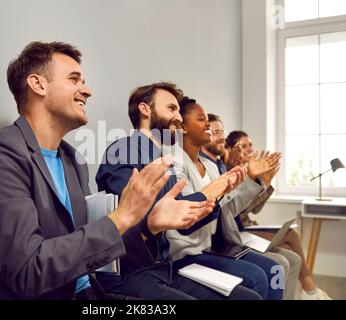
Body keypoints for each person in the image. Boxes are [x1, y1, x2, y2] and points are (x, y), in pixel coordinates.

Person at [0, 41, 214, 300]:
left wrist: (148, 226)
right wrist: (123, 216)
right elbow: (28, 272)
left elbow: (93, 248)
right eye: (74, 80)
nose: (87, 91)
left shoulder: (72, 160)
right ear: (38, 85)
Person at [95, 82, 262, 300]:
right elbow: (136, 220)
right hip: (131, 272)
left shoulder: (164, 159)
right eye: (171, 109)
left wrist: (218, 193)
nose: (180, 118)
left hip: (164, 268)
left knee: (248, 297)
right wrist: (209, 191)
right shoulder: (123, 151)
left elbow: (183, 224)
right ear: (145, 109)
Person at [167, 98, 284, 300]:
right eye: (201, 119)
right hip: (182, 256)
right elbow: (188, 214)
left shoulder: (211, 167)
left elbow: (228, 208)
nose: (207, 125)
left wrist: (252, 178)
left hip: (207, 250)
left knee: (275, 270)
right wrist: (219, 193)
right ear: (183, 127)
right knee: (258, 278)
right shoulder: (175, 162)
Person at [224, 130, 332, 300]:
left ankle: (303, 291)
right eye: (243, 146)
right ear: (230, 149)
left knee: (290, 250)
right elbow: (237, 209)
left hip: (248, 226)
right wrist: (260, 184)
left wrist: (265, 184)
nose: (249, 149)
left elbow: (255, 210)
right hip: (240, 231)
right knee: (290, 237)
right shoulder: (230, 172)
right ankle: (310, 289)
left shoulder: (248, 171)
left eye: (250, 144)